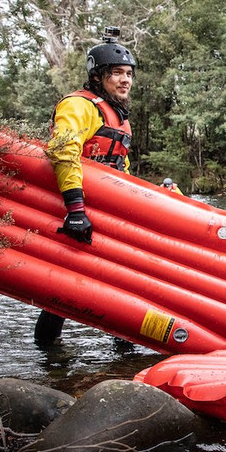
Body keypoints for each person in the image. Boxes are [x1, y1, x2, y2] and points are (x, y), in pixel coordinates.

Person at [34, 26, 136, 348]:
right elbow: (63, 150)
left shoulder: (119, 119)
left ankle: (124, 350)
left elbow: (121, 167)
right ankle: (50, 358)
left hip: (106, 212)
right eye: (116, 73)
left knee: (117, 283)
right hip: (74, 209)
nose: (125, 80)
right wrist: (76, 209)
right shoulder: (79, 107)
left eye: (128, 74)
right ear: (97, 77)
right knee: (64, 289)